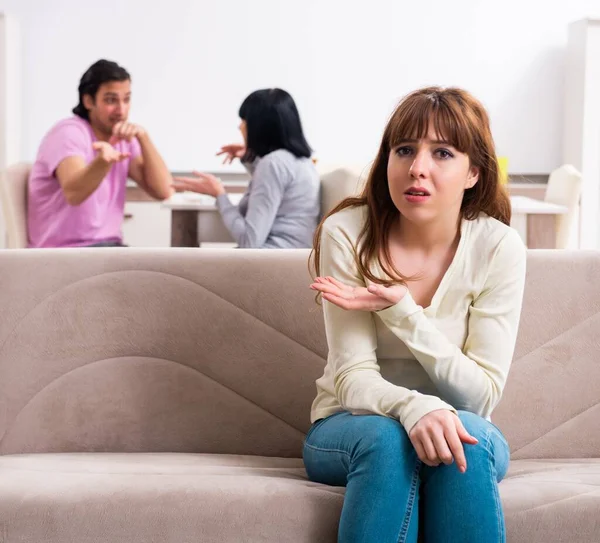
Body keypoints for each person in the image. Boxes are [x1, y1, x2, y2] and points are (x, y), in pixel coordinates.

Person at [306, 87, 526, 543]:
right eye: (404, 149)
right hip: (352, 425)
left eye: (442, 152)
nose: (417, 167)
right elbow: (352, 378)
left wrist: (403, 311)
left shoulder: (498, 247)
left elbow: (479, 397)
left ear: (473, 174)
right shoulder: (347, 232)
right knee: (389, 441)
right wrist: (414, 406)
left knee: (462, 434)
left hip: (460, 425)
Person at [27, 59, 173, 248]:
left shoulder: (123, 138)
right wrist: (103, 162)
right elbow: (74, 193)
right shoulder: (68, 133)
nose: (121, 110)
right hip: (64, 252)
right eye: (111, 100)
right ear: (88, 100)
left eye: (126, 99)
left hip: (108, 249)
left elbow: (164, 191)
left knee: (161, 272)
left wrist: (143, 138)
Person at [172, 88, 320, 248]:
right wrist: (250, 157)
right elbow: (276, 187)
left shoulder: (272, 164)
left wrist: (219, 195)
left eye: (245, 120)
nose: (240, 126)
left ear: (260, 126)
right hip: (291, 257)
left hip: (273, 260)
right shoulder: (301, 161)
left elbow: (249, 242)